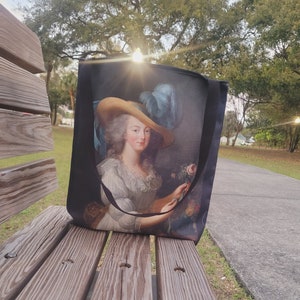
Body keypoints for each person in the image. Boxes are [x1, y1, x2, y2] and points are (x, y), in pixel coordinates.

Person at [93, 97, 188, 233]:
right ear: (124, 133)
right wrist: (162, 217)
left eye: (147, 131)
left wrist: (173, 195)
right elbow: (125, 220)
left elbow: (149, 207)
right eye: (135, 130)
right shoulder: (113, 171)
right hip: (114, 234)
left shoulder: (148, 169)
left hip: (139, 234)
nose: (142, 137)